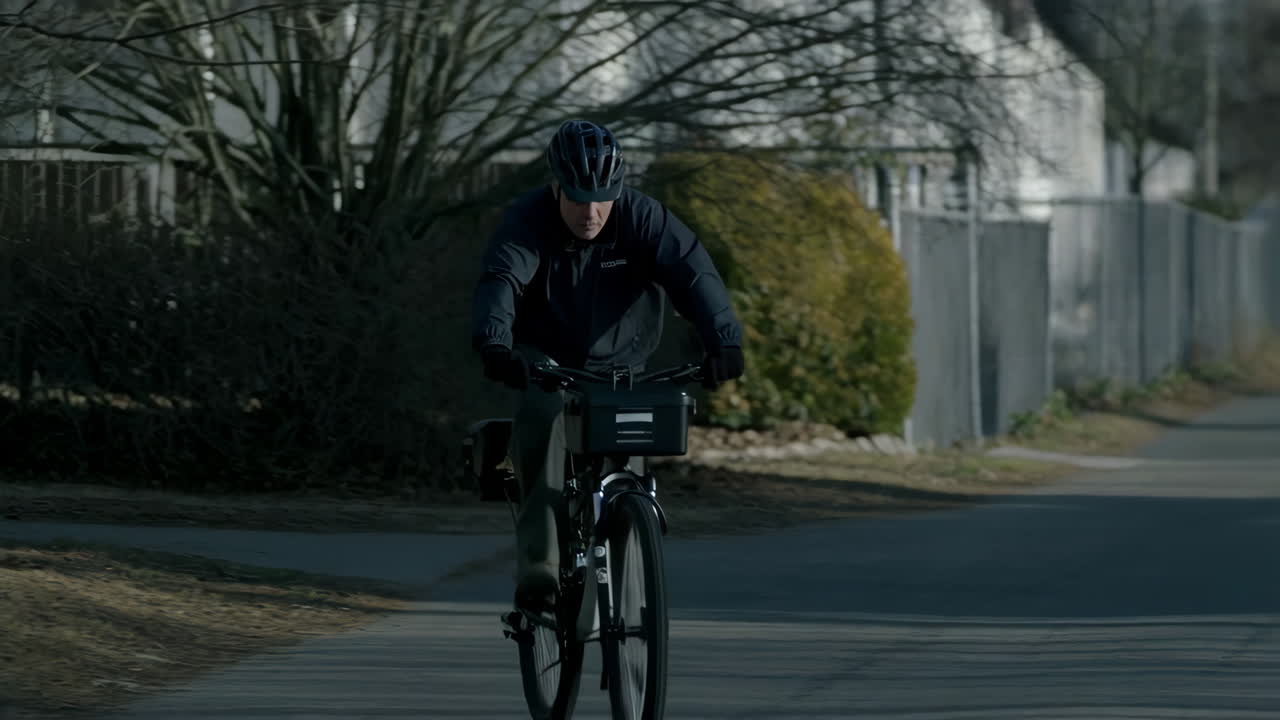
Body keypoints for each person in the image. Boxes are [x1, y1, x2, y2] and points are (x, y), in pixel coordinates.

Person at [470, 119, 744, 616]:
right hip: (545, 359)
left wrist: (723, 342)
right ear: (556, 186)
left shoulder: (643, 219)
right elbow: (501, 281)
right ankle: (541, 564)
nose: (592, 212)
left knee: (632, 447)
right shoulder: (527, 221)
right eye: (578, 197)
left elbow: (694, 273)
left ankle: (632, 580)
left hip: (623, 364)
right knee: (541, 422)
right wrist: (495, 344)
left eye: (603, 197)